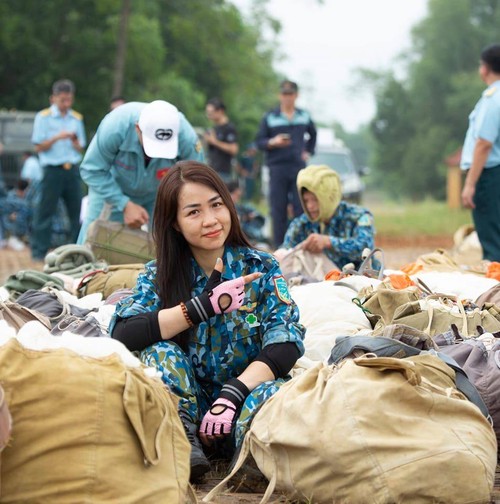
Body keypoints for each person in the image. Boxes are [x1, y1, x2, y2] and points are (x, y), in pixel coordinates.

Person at [109, 161, 304, 483]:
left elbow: (285, 342)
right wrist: (200, 308)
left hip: (241, 400)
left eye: (216, 205)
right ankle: (183, 444)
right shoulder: (159, 275)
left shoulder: (260, 267)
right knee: (159, 353)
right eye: (194, 212)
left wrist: (232, 393)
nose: (211, 220)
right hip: (188, 404)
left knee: (275, 390)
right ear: (174, 223)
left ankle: (251, 457)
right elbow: (123, 332)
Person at [77, 100, 205, 244]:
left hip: (160, 195)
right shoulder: (115, 126)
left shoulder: (186, 136)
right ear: (138, 129)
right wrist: (124, 204)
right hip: (111, 190)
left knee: (168, 246)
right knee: (90, 241)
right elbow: (92, 170)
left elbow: (197, 182)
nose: (156, 154)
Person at [275, 164, 375, 270]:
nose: (310, 206)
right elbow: (285, 252)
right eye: (306, 200)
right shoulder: (302, 224)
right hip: (320, 282)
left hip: (359, 281)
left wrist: (329, 242)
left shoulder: (358, 216)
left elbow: (365, 249)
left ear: (329, 197)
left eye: (315, 199)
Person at [256, 79, 317, 248]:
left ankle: (300, 244)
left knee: (300, 207)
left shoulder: (304, 115)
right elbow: (259, 142)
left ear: (296, 96)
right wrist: (273, 142)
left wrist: (308, 151)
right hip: (277, 167)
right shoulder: (270, 117)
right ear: (279, 95)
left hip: (298, 167)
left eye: (290, 94)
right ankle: (279, 247)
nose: (287, 98)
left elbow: (313, 134)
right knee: (278, 208)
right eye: (284, 94)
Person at [31, 79, 86, 260]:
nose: (66, 104)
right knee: (45, 211)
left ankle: (75, 253)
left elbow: (81, 146)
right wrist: (57, 137)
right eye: (62, 100)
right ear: (53, 98)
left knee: (75, 212)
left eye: (69, 99)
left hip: (72, 170)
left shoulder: (76, 118)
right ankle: (39, 252)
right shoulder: (43, 117)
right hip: (52, 170)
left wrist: (75, 143)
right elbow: (38, 147)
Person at [461, 43, 500, 262]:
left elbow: (484, 143)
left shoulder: (492, 99)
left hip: (489, 175)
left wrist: (470, 184)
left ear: (485, 68)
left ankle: (496, 293)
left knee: (492, 240)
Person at [204, 98, 238, 183]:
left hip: (223, 172)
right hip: (212, 170)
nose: (209, 115)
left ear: (220, 111)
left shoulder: (229, 128)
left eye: (211, 112)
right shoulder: (214, 128)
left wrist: (214, 142)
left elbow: (234, 149)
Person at [226, 179, 267, 246]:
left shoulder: (240, 207)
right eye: (237, 195)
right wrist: (246, 218)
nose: (238, 198)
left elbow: (259, 217)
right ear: (230, 194)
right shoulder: (225, 208)